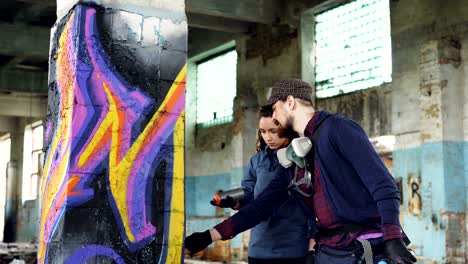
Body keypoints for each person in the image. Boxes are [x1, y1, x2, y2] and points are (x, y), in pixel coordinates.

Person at [185, 79, 417, 264]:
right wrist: (208, 236)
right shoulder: (296, 157)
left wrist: (392, 237)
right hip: (330, 252)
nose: (274, 117)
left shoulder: (338, 129)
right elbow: (260, 207)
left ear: (290, 102)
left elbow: (384, 185)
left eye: (275, 109)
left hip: (363, 248)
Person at [210, 105, 311, 264]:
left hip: (294, 248)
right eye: (263, 132)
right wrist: (235, 202)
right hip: (259, 248)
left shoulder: (304, 161)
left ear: (287, 129)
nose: (267, 138)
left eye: (273, 131)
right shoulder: (257, 161)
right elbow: (249, 196)